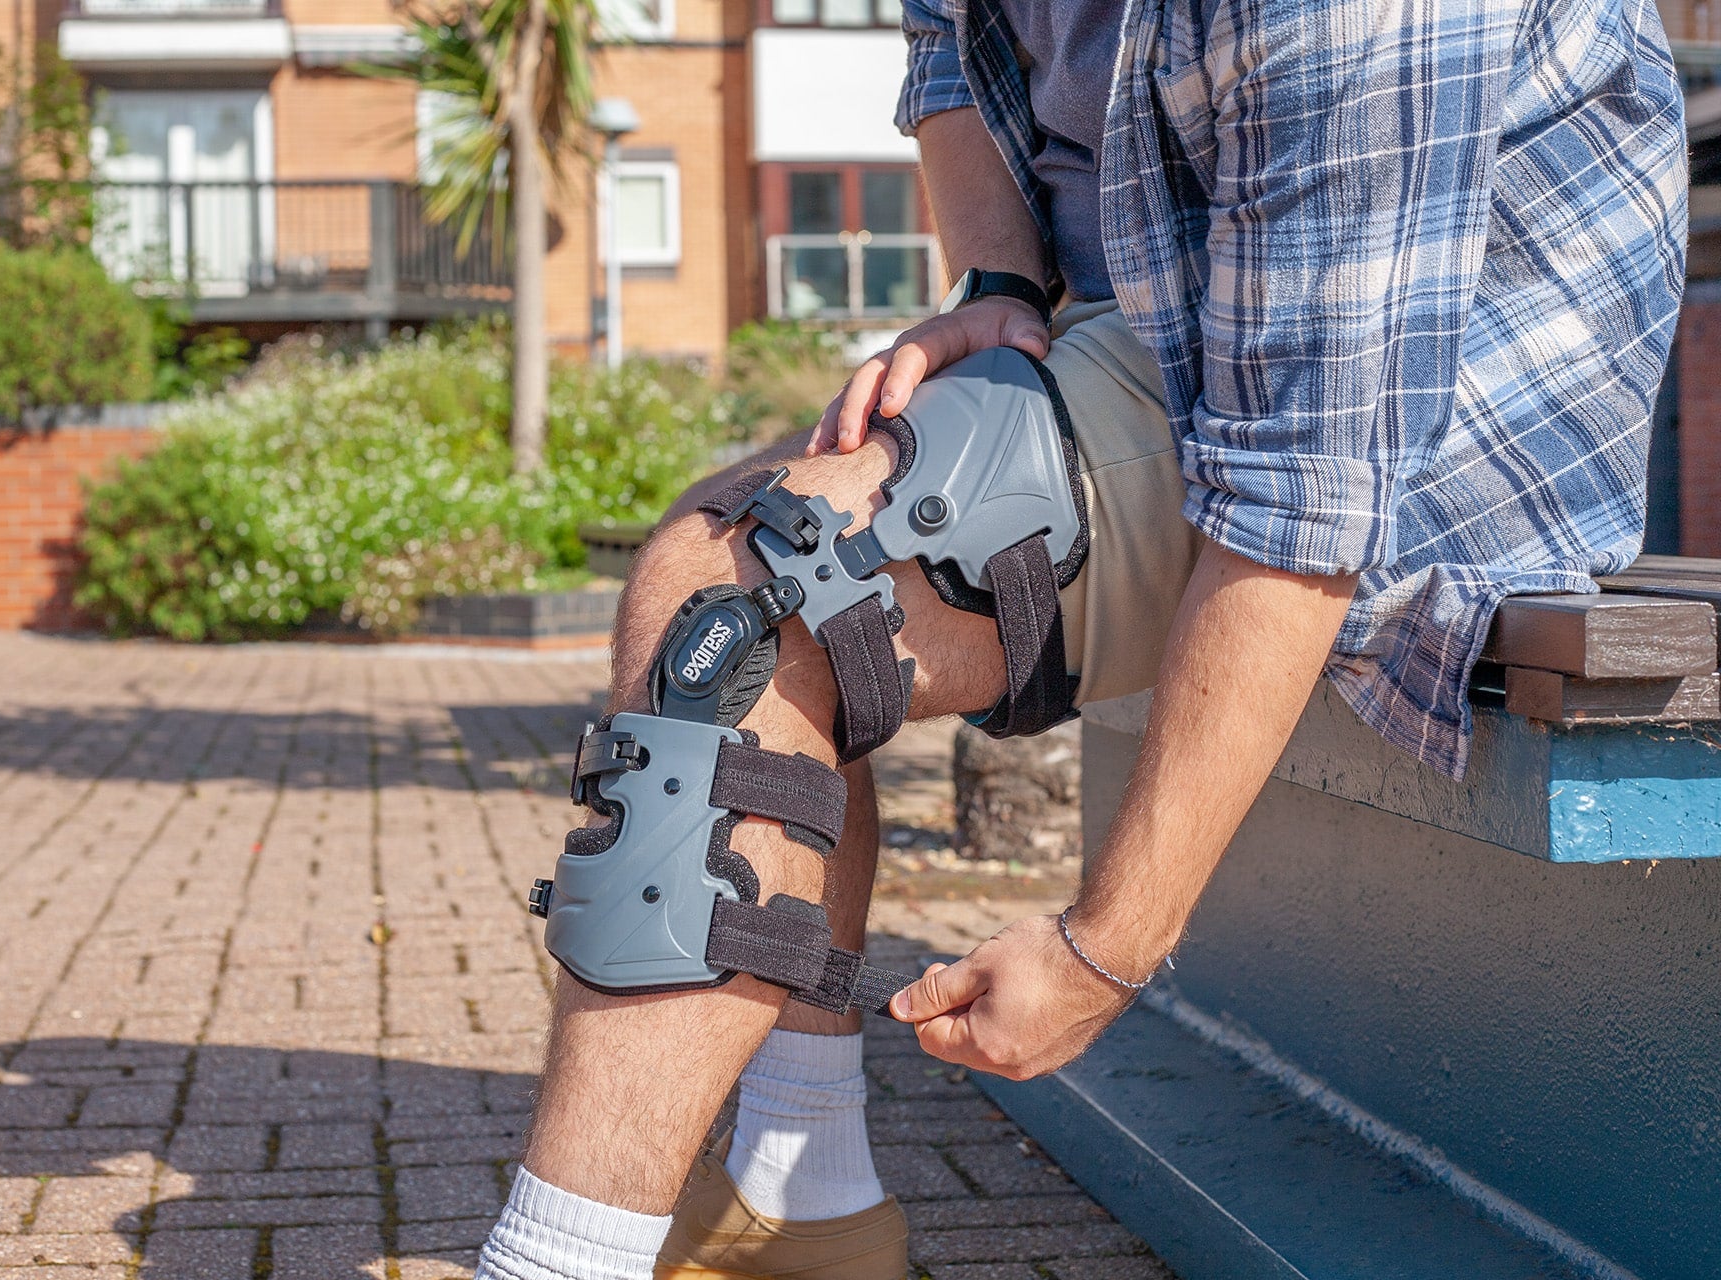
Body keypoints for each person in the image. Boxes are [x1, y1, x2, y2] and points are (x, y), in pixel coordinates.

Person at [475, 0, 1687, 1275]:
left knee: (757, 604)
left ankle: (563, 1260)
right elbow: (950, 37)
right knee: (717, 546)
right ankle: (806, 1196)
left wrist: (1105, 946)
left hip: (1430, 413)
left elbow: (1307, 492)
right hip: (1166, 329)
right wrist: (999, 280)